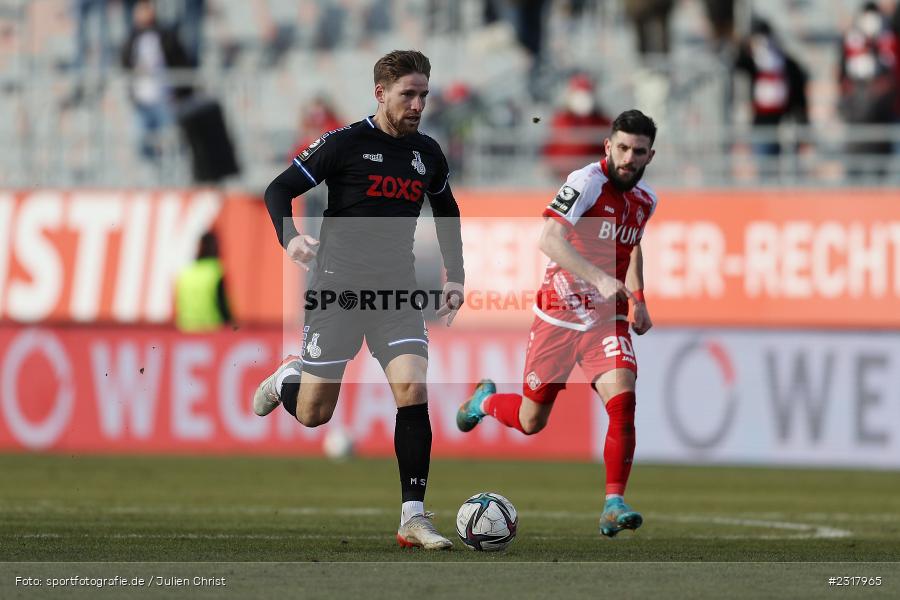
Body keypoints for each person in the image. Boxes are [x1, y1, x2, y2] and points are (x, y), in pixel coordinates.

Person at [254, 50, 464, 550]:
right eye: (408, 95)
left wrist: (455, 275)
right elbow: (277, 190)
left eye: (424, 95)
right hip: (338, 290)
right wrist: (292, 238)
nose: (418, 105)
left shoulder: (428, 154)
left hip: (396, 292)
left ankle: (413, 515)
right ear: (381, 93)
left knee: (412, 389)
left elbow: (447, 209)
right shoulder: (345, 144)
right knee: (313, 415)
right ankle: (289, 375)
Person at [457, 110, 658, 538]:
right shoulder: (585, 182)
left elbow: (634, 244)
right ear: (608, 146)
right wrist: (602, 277)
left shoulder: (646, 200)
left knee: (623, 401)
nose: (628, 157)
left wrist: (638, 299)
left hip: (607, 320)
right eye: (621, 148)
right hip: (558, 316)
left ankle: (612, 503)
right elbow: (548, 238)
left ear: (649, 156)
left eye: (637, 151)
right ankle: (484, 403)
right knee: (532, 421)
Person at [734, 18, 809, 157]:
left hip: (786, 123)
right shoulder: (753, 64)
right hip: (762, 124)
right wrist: (745, 43)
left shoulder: (788, 64)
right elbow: (737, 63)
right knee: (766, 167)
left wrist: (803, 125)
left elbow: (799, 97)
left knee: (791, 171)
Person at [542, 74, 612, 180]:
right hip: (562, 178)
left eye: (586, 95)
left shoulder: (603, 122)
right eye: (578, 95)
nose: (582, 99)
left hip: (594, 180)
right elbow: (549, 150)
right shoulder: (559, 120)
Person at [175, 231, 233, 332]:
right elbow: (224, 309)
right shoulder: (216, 271)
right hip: (211, 334)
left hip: (186, 334)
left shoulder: (186, 273)